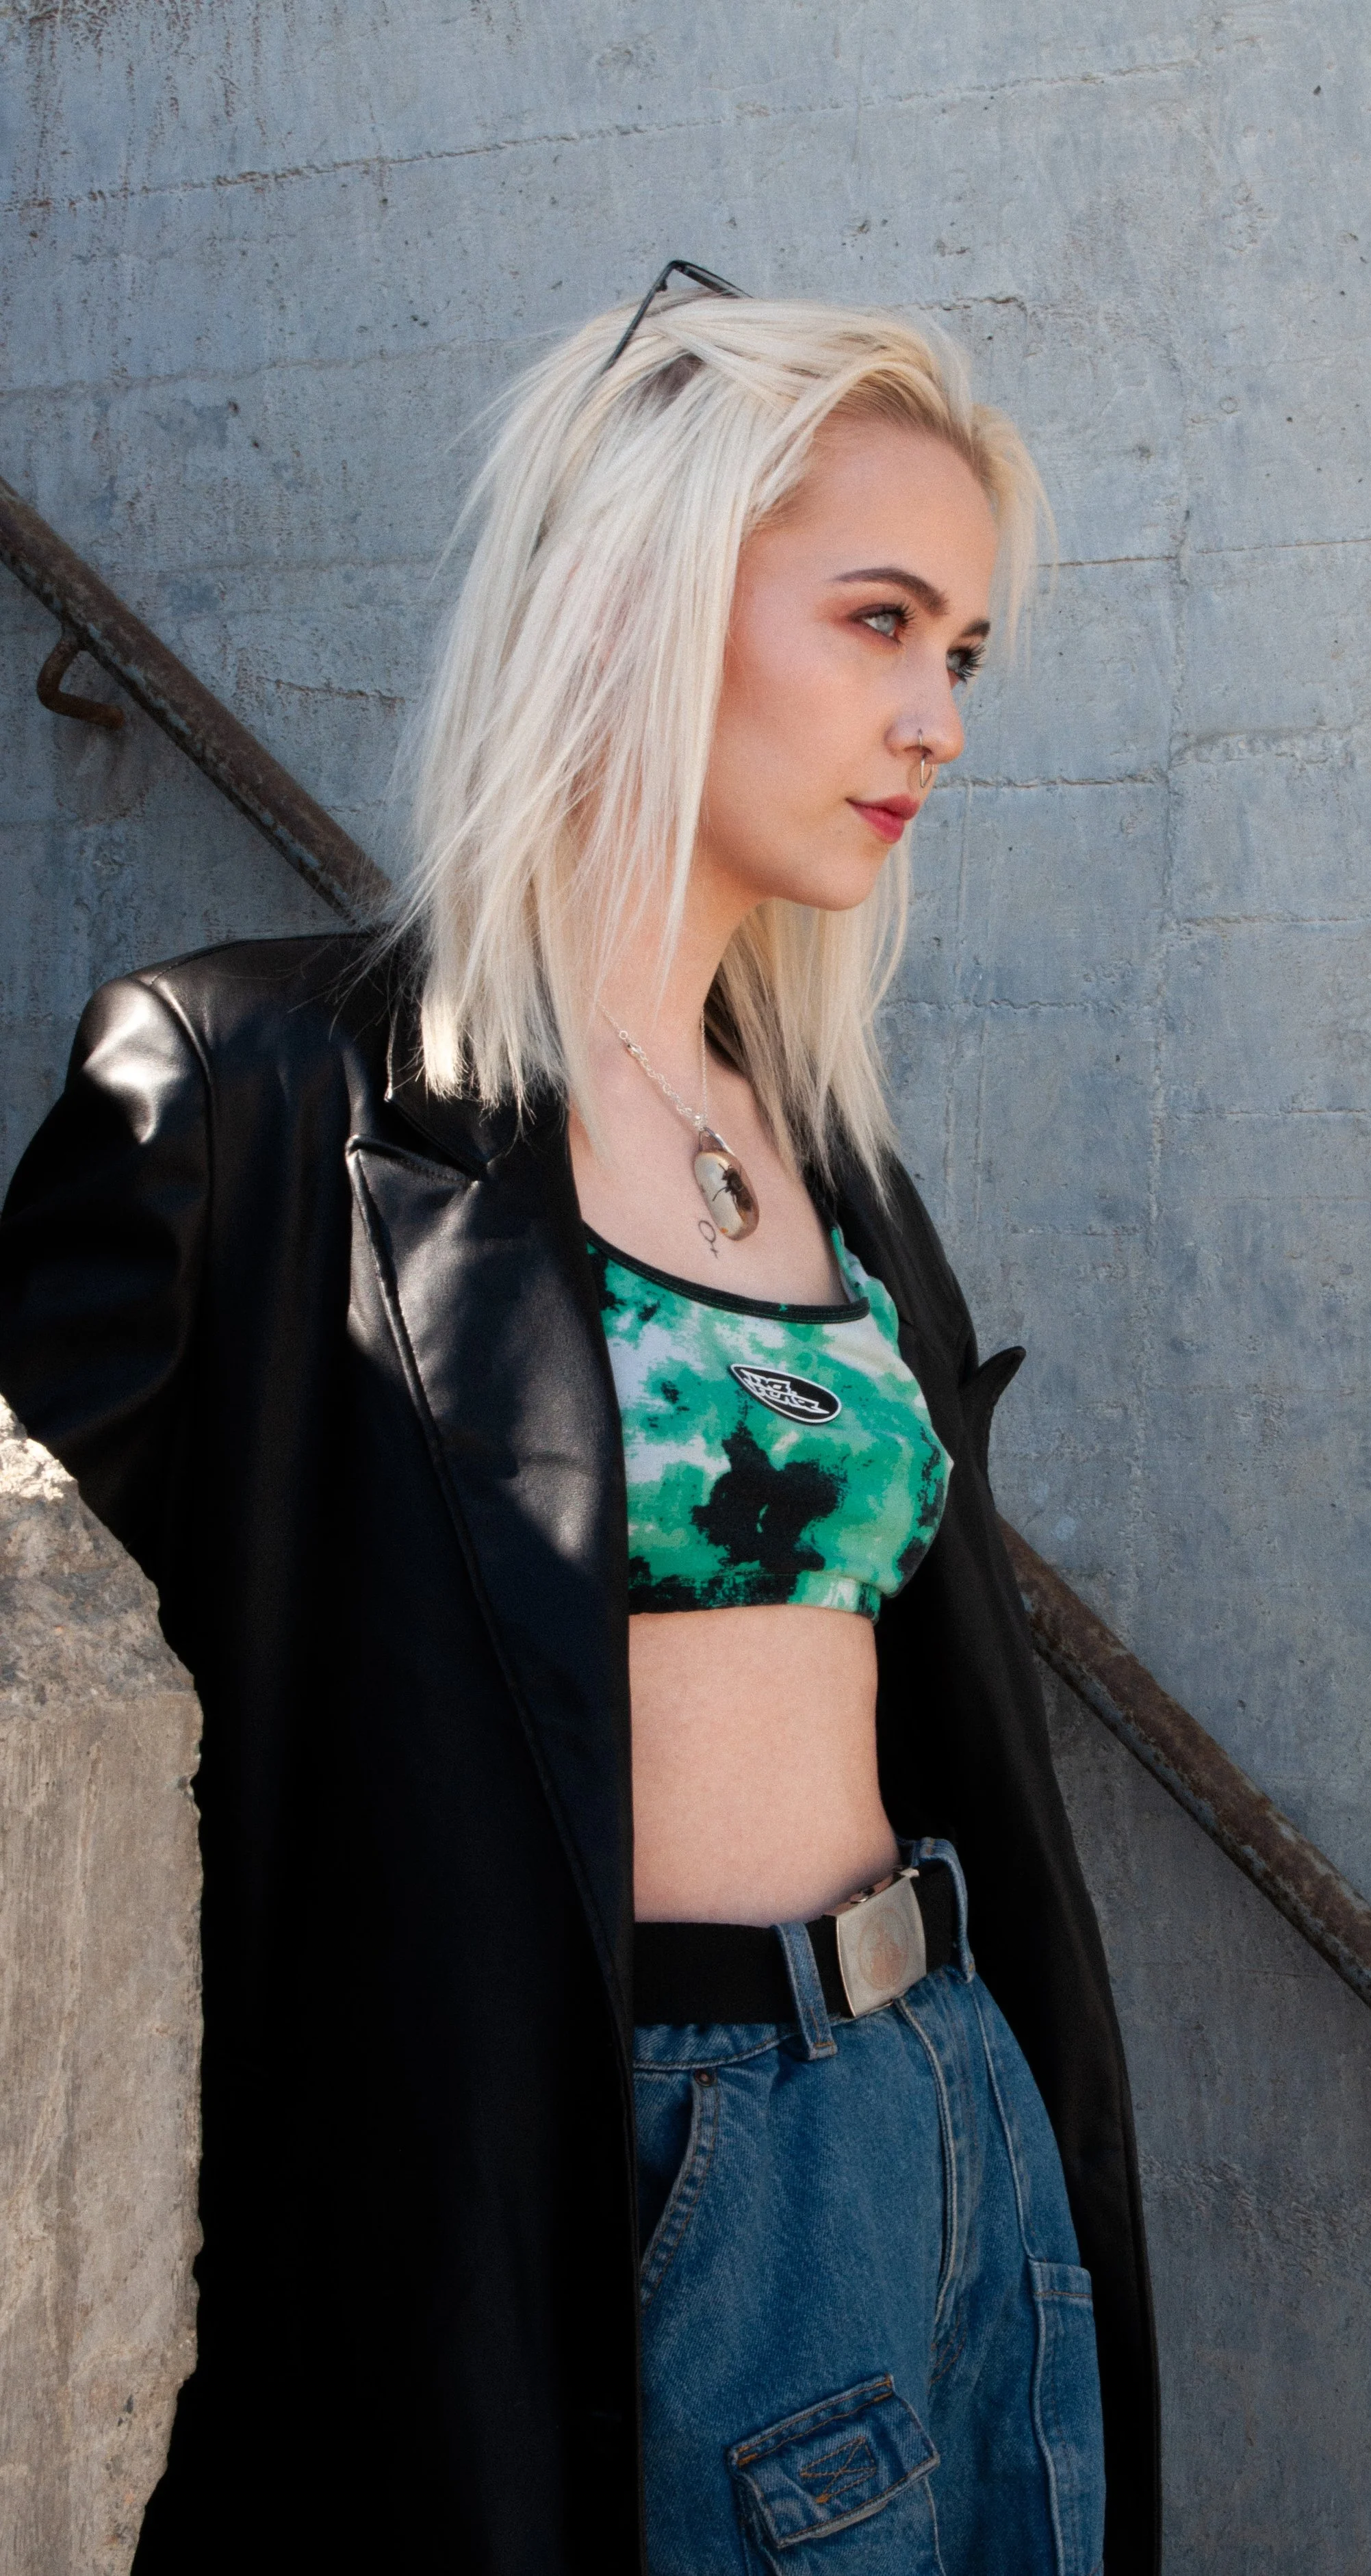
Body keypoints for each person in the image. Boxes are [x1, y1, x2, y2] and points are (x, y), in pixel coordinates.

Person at [0, 281, 1159, 2575]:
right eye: (877, 621)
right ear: (640, 593)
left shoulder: (823, 1150)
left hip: (945, 2110)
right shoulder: (254, 1099)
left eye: (963, 652)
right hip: (627, 2165)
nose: (935, 717)